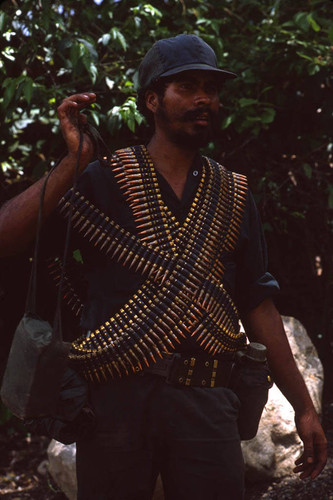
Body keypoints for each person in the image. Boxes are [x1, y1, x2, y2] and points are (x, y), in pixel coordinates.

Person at [0, 34, 327, 499]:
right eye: (188, 87)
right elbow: (7, 238)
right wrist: (73, 163)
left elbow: (257, 304)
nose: (205, 100)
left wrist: (304, 407)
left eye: (212, 90)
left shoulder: (232, 193)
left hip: (209, 400)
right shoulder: (103, 178)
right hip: (114, 399)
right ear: (152, 100)